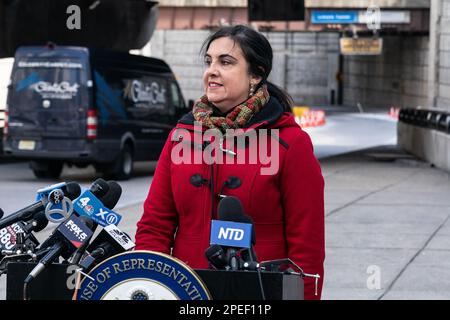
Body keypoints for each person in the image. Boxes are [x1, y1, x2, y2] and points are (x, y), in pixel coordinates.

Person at [135, 25, 325, 300]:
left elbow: (307, 246)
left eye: (226, 62)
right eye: (209, 61)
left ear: (256, 75)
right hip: (187, 292)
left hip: (260, 294)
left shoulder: (291, 143)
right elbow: (155, 226)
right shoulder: (181, 136)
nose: (212, 70)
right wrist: (152, 287)